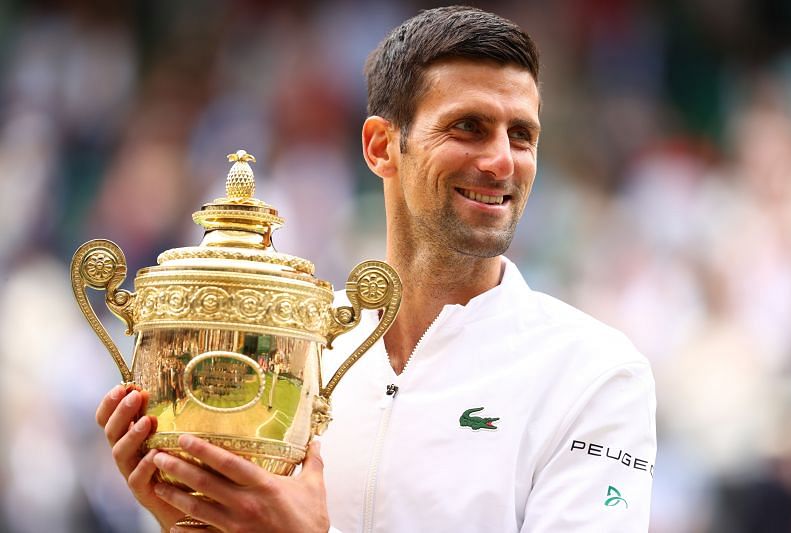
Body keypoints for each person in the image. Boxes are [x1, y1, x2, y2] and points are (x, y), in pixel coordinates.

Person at [95, 6, 657, 532]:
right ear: (381, 146)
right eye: (468, 127)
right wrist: (193, 516)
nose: (502, 161)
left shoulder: (597, 375)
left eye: (522, 135)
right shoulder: (298, 344)